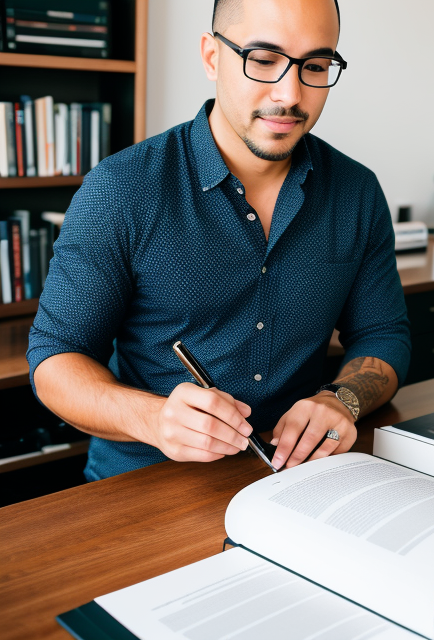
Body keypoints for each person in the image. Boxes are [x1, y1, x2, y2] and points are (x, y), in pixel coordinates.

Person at [28, 0, 411, 481]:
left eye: (314, 66)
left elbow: (383, 334)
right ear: (212, 57)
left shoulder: (357, 192)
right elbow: (55, 359)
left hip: (295, 479)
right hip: (143, 490)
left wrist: (343, 399)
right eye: (263, 59)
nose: (289, 93)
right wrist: (154, 418)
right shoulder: (120, 188)